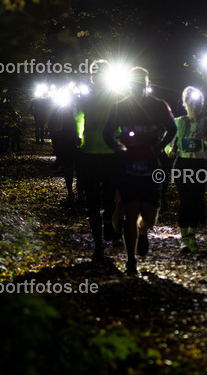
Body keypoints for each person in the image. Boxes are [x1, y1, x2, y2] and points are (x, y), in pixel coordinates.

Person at [103, 67, 176, 275]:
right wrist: (117, 146)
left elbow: (173, 129)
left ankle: (143, 231)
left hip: (151, 167)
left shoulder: (159, 106)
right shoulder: (120, 106)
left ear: (148, 84)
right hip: (127, 167)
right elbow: (107, 131)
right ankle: (131, 259)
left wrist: (160, 146)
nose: (138, 87)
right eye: (134, 84)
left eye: (141, 84)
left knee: (150, 216)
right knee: (130, 213)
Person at [74, 60, 121, 262]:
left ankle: (103, 234)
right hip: (97, 154)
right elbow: (77, 117)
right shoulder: (93, 97)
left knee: (102, 200)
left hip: (100, 154)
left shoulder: (113, 98)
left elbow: (122, 122)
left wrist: (78, 137)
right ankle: (99, 244)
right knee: (96, 201)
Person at [169, 86, 207, 253]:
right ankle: (184, 239)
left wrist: (204, 137)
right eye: (192, 104)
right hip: (182, 164)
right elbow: (168, 146)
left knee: (197, 201)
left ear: (201, 105)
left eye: (198, 104)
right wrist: (170, 149)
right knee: (185, 200)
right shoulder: (178, 122)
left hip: (200, 165)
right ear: (185, 104)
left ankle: (192, 236)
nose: (195, 107)